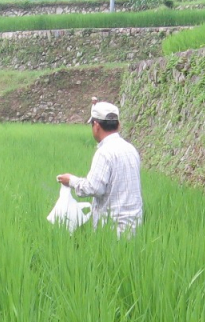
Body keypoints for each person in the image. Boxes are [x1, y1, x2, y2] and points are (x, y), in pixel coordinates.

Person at [56, 101, 143, 235]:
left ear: (96, 126)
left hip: (112, 229)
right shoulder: (131, 149)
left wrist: (71, 181)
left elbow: (94, 187)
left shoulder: (104, 153)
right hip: (134, 226)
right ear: (118, 125)